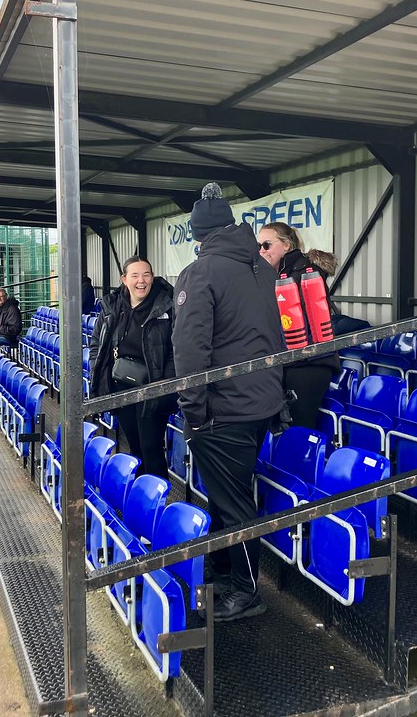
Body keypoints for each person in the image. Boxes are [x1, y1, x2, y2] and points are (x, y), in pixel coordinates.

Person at [172, 182, 285, 622]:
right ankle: (221, 571)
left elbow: (190, 351)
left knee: (234, 504)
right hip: (261, 403)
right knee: (226, 495)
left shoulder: (199, 273)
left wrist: (194, 412)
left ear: (199, 235)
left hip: (224, 408)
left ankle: (247, 591)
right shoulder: (261, 268)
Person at [89, 257, 176, 478]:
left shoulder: (167, 305)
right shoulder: (112, 306)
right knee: (135, 445)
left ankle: (157, 495)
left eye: (146, 275)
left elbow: (177, 349)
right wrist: (98, 374)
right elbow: (97, 344)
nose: (141, 281)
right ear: (124, 279)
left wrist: (165, 383)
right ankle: (140, 491)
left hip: (153, 387)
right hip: (121, 385)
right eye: (135, 275)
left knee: (151, 447)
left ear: (153, 277)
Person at [257, 222, 341, 431]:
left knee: (300, 427)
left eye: (267, 245)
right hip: (287, 362)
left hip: (310, 363)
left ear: (286, 245)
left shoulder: (307, 272)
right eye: (258, 246)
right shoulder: (274, 275)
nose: (261, 251)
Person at [305, 248, 372, 336]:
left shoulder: (305, 276)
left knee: (344, 319)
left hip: (313, 324)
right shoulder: (315, 280)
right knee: (360, 324)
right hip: (317, 326)